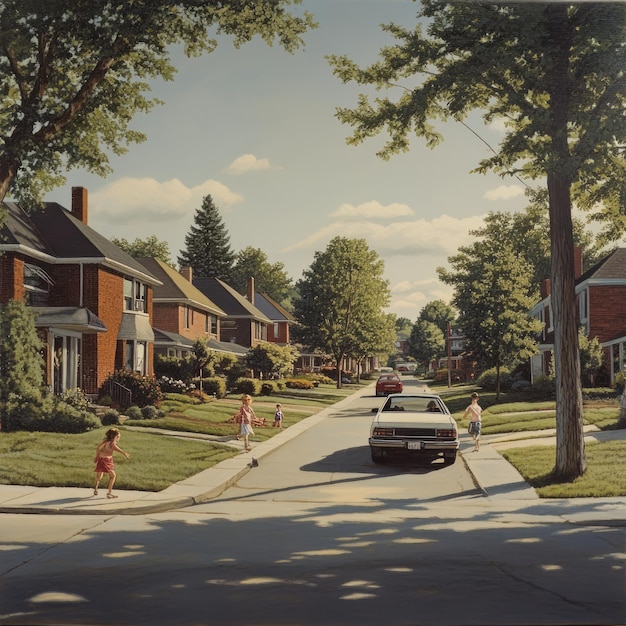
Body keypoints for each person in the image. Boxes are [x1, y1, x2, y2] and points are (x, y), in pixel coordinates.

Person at [94, 428, 130, 498]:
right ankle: (109, 493)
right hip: (107, 460)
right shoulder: (112, 443)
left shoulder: (105, 442)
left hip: (101, 459)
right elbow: (117, 449)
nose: (118, 439)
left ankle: (96, 488)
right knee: (113, 476)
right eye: (118, 437)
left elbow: (98, 448)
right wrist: (124, 453)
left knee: (99, 475)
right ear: (114, 437)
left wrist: (97, 456)